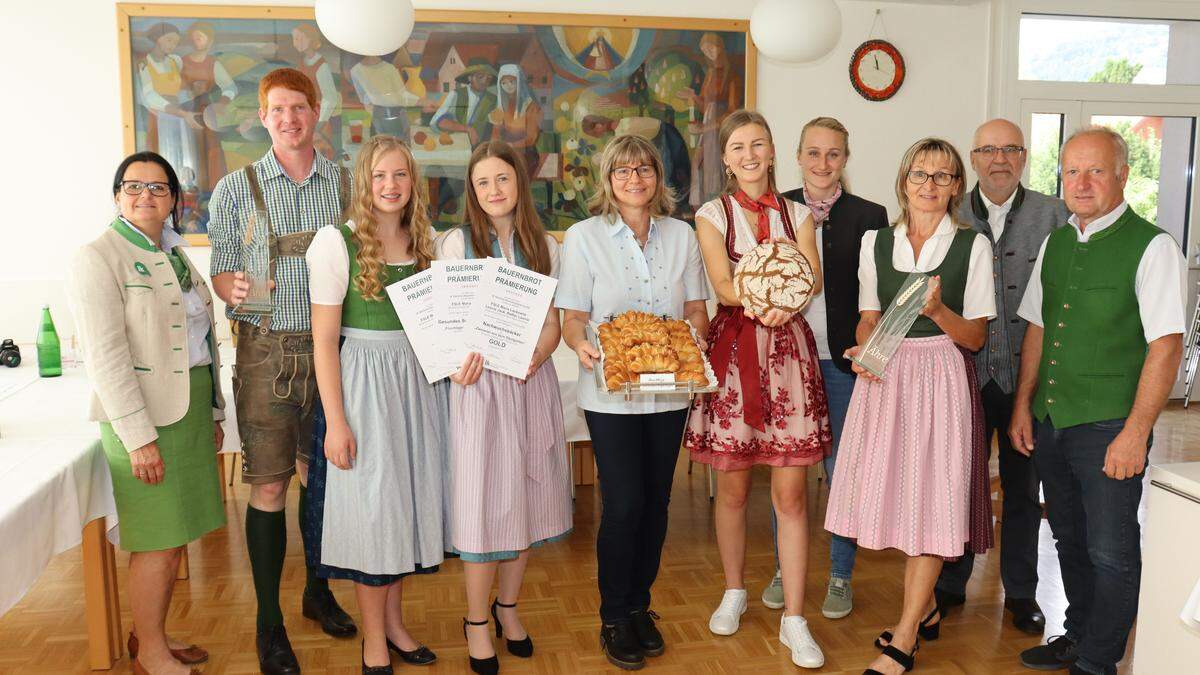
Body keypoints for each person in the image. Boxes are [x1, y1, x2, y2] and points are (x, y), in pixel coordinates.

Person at [1013, 126, 1186, 675]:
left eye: (1095, 170)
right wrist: (1023, 406)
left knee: (1111, 550)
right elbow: (1038, 328)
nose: (1081, 182)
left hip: (1110, 424)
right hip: (1051, 418)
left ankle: (1099, 660)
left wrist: (1136, 432)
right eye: (1071, 171)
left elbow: (1166, 346)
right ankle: (1079, 634)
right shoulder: (1057, 241)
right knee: (1067, 535)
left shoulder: (1154, 246)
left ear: (1122, 176)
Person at [824, 137, 996, 675]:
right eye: (921, 175)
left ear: (955, 188)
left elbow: (974, 338)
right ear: (903, 182)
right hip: (887, 376)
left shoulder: (974, 246)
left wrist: (941, 310)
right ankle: (924, 613)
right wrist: (863, 347)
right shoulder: (877, 240)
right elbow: (869, 316)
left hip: (941, 375)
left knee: (929, 501)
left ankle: (904, 638)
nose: (930, 185)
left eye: (943, 177)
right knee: (899, 495)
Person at [208, 67, 355, 675]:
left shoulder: (347, 183)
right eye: (278, 109)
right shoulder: (234, 187)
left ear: (316, 112)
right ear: (263, 118)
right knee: (269, 485)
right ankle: (269, 622)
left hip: (338, 349)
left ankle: (317, 591)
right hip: (265, 352)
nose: (290, 118)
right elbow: (218, 271)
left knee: (321, 479)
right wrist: (230, 283)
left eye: (300, 107)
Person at [68, 151, 226, 675]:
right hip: (145, 420)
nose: (146, 196)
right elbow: (106, 358)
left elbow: (199, 339)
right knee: (156, 540)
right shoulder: (98, 256)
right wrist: (137, 438)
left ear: (174, 200)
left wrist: (215, 407)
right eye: (133, 186)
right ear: (117, 195)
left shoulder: (175, 253)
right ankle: (152, 655)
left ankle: (150, 633)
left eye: (159, 188)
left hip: (187, 410)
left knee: (176, 534)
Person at [556, 134, 709, 671]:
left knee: (658, 502)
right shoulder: (583, 237)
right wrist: (579, 343)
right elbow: (572, 315)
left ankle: (642, 604)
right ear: (608, 179)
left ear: (658, 177)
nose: (634, 179)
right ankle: (614, 614)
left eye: (644, 169)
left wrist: (693, 339)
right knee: (622, 504)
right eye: (623, 171)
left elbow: (696, 309)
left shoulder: (682, 236)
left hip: (669, 392)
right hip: (612, 392)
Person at [685, 109, 830, 669]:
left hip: (789, 356)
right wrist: (773, 284)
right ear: (725, 158)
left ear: (773, 153)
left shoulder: (800, 214)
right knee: (734, 490)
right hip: (736, 352)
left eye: (759, 144)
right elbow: (723, 287)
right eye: (738, 146)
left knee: (791, 494)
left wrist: (775, 285)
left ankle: (795, 616)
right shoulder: (710, 214)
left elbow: (810, 282)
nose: (749, 155)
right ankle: (734, 589)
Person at [304, 134, 447, 674]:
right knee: (374, 514)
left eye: (401, 175)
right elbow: (323, 341)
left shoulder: (426, 239)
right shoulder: (335, 243)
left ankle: (396, 624)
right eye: (380, 176)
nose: (391, 186)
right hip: (363, 382)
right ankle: (373, 640)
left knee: (402, 510)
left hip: (415, 383)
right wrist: (335, 422)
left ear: (413, 184)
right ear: (365, 182)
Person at [437, 141, 572, 675]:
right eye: (483, 183)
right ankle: (475, 622)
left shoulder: (545, 246)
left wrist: (536, 356)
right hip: (477, 392)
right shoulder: (454, 244)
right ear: (472, 191)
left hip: (529, 384)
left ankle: (508, 609)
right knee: (482, 503)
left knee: (526, 496)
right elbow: (446, 325)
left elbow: (555, 323)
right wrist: (456, 362)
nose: (494, 191)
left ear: (520, 183)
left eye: (502, 180)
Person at [933, 118, 1070, 633]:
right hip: (959, 379)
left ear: (1024, 157)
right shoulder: (948, 210)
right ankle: (949, 585)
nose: (999, 159)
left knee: (1022, 489)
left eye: (1010, 149)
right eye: (988, 149)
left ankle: (1022, 594)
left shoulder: (1054, 214)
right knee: (958, 490)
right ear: (972, 159)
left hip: (1024, 382)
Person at [756, 116, 888, 620]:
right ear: (797, 156)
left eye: (833, 154)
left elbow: (878, 293)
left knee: (841, 472)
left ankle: (839, 574)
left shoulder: (870, 215)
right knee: (787, 475)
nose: (822, 163)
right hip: (784, 357)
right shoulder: (773, 207)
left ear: (846, 159)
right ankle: (782, 570)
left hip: (842, 362)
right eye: (813, 153)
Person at [677, 32, 741, 206]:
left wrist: (705, 128)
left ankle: (716, 205)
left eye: (710, 47)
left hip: (721, 130)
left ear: (720, 47)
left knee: (715, 169)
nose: (708, 52)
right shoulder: (711, 73)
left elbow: (732, 112)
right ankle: (701, 206)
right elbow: (705, 106)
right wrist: (693, 96)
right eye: (704, 49)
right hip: (708, 125)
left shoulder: (732, 76)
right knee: (699, 164)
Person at [137, 23, 199, 185]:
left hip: (178, 113)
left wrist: (192, 93)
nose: (173, 45)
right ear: (157, 39)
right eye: (169, 40)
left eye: (175, 42)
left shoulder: (175, 61)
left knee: (183, 153)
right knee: (161, 154)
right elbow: (149, 96)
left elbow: (179, 89)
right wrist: (180, 112)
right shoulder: (144, 64)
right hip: (158, 115)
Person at [180, 22, 236, 193]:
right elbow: (173, 87)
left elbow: (230, 87)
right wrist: (187, 94)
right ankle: (191, 189)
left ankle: (214, 191)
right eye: (195, 37)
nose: (197, 41)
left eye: (201, 37)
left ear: (209, 41)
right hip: (187, 109)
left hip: (207, 110)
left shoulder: (213, 63)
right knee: (190, 147)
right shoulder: (182, 62)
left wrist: (222, 103)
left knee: (211, 147)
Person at [292, 24, 342, 157]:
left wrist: (321, 121)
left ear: (310, 39)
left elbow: (330, 97)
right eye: (294, 38)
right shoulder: (302, 62)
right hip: (307, 116)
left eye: (300, 38)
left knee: (323, 154)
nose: (296, 42)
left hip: (320, 119)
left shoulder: (321, 65)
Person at [488, 65, 542, 178]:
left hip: (526, 154)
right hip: (505, 152)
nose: (508, 86)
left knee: (513, 174)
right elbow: (496, 133)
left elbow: (531, 138)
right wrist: (496, 146)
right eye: (504, 83)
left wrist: (511, 146)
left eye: (512, 81)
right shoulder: (501, 107)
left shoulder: (531, 107)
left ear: (519, 82)